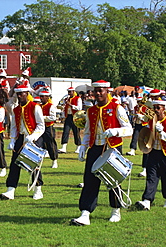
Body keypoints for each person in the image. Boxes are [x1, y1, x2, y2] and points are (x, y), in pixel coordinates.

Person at [70, 80, 133, 226]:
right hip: (95, 147)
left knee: (113, 180)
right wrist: (83, 147)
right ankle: (85, 213)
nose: (98, 94)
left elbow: (129, 129)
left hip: (112, 147)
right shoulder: (90, 111)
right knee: (89, 180)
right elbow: (87, 131)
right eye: (96, 91)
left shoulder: (117, 108)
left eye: (101, 91)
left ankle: (115, 209)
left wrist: (115, 131)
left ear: (107, 92)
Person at [0, 84, 45, 200]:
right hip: (21, 138)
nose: (19, 96)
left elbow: (41, 126)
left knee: (33, 164)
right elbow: (14, 126)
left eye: (21, 94)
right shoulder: (16, 109)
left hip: (33, 138)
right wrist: (12, 140)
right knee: (14, 164)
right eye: (17, 94)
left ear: (27, 94)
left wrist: (33, 136)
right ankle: (10, 189)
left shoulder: (35, 107)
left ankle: (38, 189)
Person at [135, 100, 166, 210]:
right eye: (154, 108)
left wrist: (161, 132)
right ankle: (147, 200)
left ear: (163, 109)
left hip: (165, 153)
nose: (156, 110)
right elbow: (146, 133)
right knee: (151, 176)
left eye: (158, 108)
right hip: (153, 152)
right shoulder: (151, 121)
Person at [58, 86, 82, 154]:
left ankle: (78, 147)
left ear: (73, 92)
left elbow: (79, 108)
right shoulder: (66, 99)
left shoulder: (78, 99)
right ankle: (64, 147)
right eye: (68, 92)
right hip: (68, 116)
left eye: (70, 92)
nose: (69, 93)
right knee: (66, 131)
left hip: (75, 116)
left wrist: (71, 105)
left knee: (76, 132)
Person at [39, 90, 59, 168]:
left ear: (47, 97)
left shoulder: (51, 106)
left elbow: (53, 117)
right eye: (40, 97)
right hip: (40, 127)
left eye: (42, 97)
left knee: (50, 143)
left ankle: (54, 160)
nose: (41, 98)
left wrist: (43, 118)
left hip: (48, 127)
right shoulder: (39, 106)